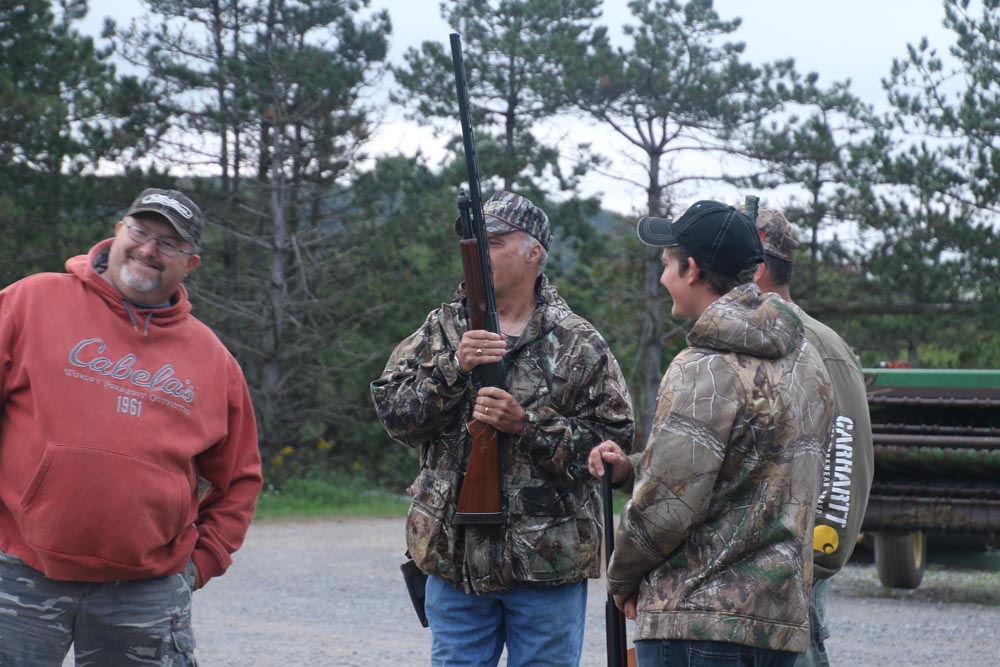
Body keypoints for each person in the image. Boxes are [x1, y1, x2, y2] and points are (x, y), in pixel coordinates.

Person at [371, 190, 635, 667]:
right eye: (473, 244)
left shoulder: (578, 342)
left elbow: (612, 446)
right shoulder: (442, 330)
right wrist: (453, 368)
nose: (477, 254)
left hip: (546, 564)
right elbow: (394, 415)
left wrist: (526, 425)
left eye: (492, 242)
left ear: (534, 252)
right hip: (454, 560)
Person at [0, 188, 263, 666]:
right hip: (17, 571)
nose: (149, 249)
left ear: (191, 264)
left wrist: (200, 563)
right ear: (118, 232)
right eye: (140, 231)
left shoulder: (214, 360)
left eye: (169, 243)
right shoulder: (30, 300)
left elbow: (240, 479)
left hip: (146, 590)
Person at [588, 200, 835, 667]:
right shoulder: (807, 362)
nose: (662, 279)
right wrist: (632, 469)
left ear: (693, 269)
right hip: (778, 625)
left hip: (695, 622)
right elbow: (759, 469)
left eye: (667, 264)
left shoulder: (700, 368)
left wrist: (620, 578)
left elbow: (668, 506)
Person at [750, 207, 874, 667]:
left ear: (757, 268)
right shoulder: (730, 341)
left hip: (790, 581)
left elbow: (845, 459)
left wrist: (815, 561)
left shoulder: (819, 347)